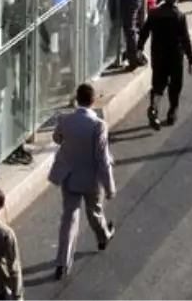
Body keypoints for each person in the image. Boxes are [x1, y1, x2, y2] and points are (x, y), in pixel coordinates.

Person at [47, 83, 115, 281]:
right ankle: (103, 237)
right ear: (93, 101)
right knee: (95, 211)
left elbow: (57, 137)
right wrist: (110, 186)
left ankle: (62, 262)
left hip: (70, 175)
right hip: (92, 178)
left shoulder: (65, 119)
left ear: (77, 99)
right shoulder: (98, 125)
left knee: (69, 218)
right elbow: (102, 158)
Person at [136, 0, 192, 130]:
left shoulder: (154, 13)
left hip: (158, 54)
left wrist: (139, 47)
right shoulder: (179, 16)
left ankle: (154, 108)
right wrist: (191, 60)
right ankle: (172, 111)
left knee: (158, 83)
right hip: (175, 55)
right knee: (175, 84)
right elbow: (185, 39)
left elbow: (144, 31)